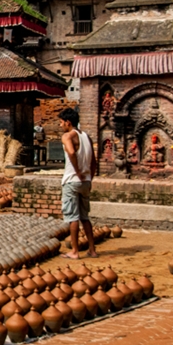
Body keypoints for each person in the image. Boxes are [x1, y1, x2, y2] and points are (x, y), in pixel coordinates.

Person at [57, 108, 97, 259]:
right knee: (84, 217)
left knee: (73, 217)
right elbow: (94, 162)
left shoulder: (67, 136)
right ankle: (92, 250)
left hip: (72, 181)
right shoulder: (87, 137)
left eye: (61, 122)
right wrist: (89, 178)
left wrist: (78, 171)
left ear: (68, 122)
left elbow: (72, 152)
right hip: (85, 182)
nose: (60, 126)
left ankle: (74, 251)